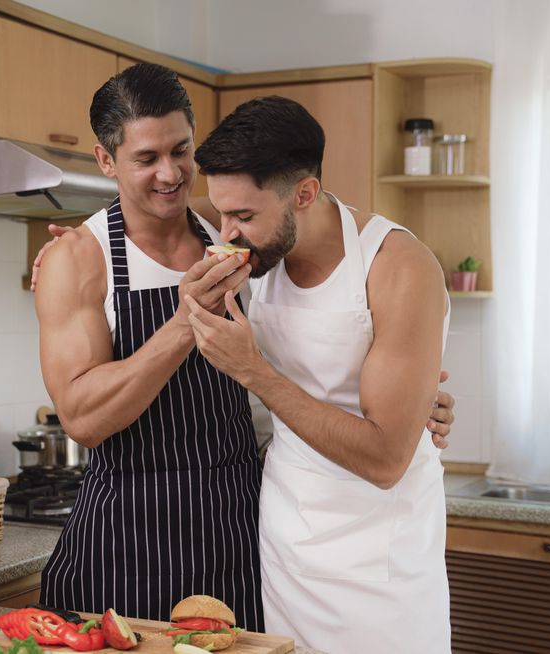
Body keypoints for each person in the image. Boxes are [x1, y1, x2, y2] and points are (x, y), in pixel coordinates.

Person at [32, 64, 456, 634]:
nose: (170, 175)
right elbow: (81, 419)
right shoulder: (80, 258)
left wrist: (417, 397)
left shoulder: (230, 233)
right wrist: (186, 320)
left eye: (181, 151)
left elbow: (328, 304)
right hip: (127, 532)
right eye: (146, 158)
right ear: (105, 161)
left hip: (239, 527)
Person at [184, 96, 453, 653]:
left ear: (304, 193)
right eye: (220, 213)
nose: (226, 234)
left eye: (244, 217)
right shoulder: (258, 258)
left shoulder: (397, 266)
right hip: (286, 546)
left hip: (382, 564)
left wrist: (252, 370)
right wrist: (70, 249)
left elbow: (384, 459)